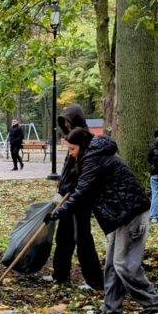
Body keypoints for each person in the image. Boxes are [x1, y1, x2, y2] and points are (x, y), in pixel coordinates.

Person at [49, 128, 158, 314]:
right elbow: (77, 184)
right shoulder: (93, 157)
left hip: (131, 213)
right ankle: (111, 307)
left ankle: (154, 304)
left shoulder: (94, 158)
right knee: (112, 264)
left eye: (72, 149)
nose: (70, 153)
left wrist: (59, 212)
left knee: (124, 264)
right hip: (120, 215)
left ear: (82, 146)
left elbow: (82, 192)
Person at [46, 104, 103, 290]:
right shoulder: (72, 139)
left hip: (80, 198)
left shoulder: (84, 140)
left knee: (82, 239)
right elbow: (68, 170)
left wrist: (71, 188)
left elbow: (83, 172)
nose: (67, 126)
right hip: (68, 196)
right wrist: (61, 189)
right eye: (64, 122)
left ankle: (95, 281)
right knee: (63, 237)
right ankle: (60, 275)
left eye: (69, 122)